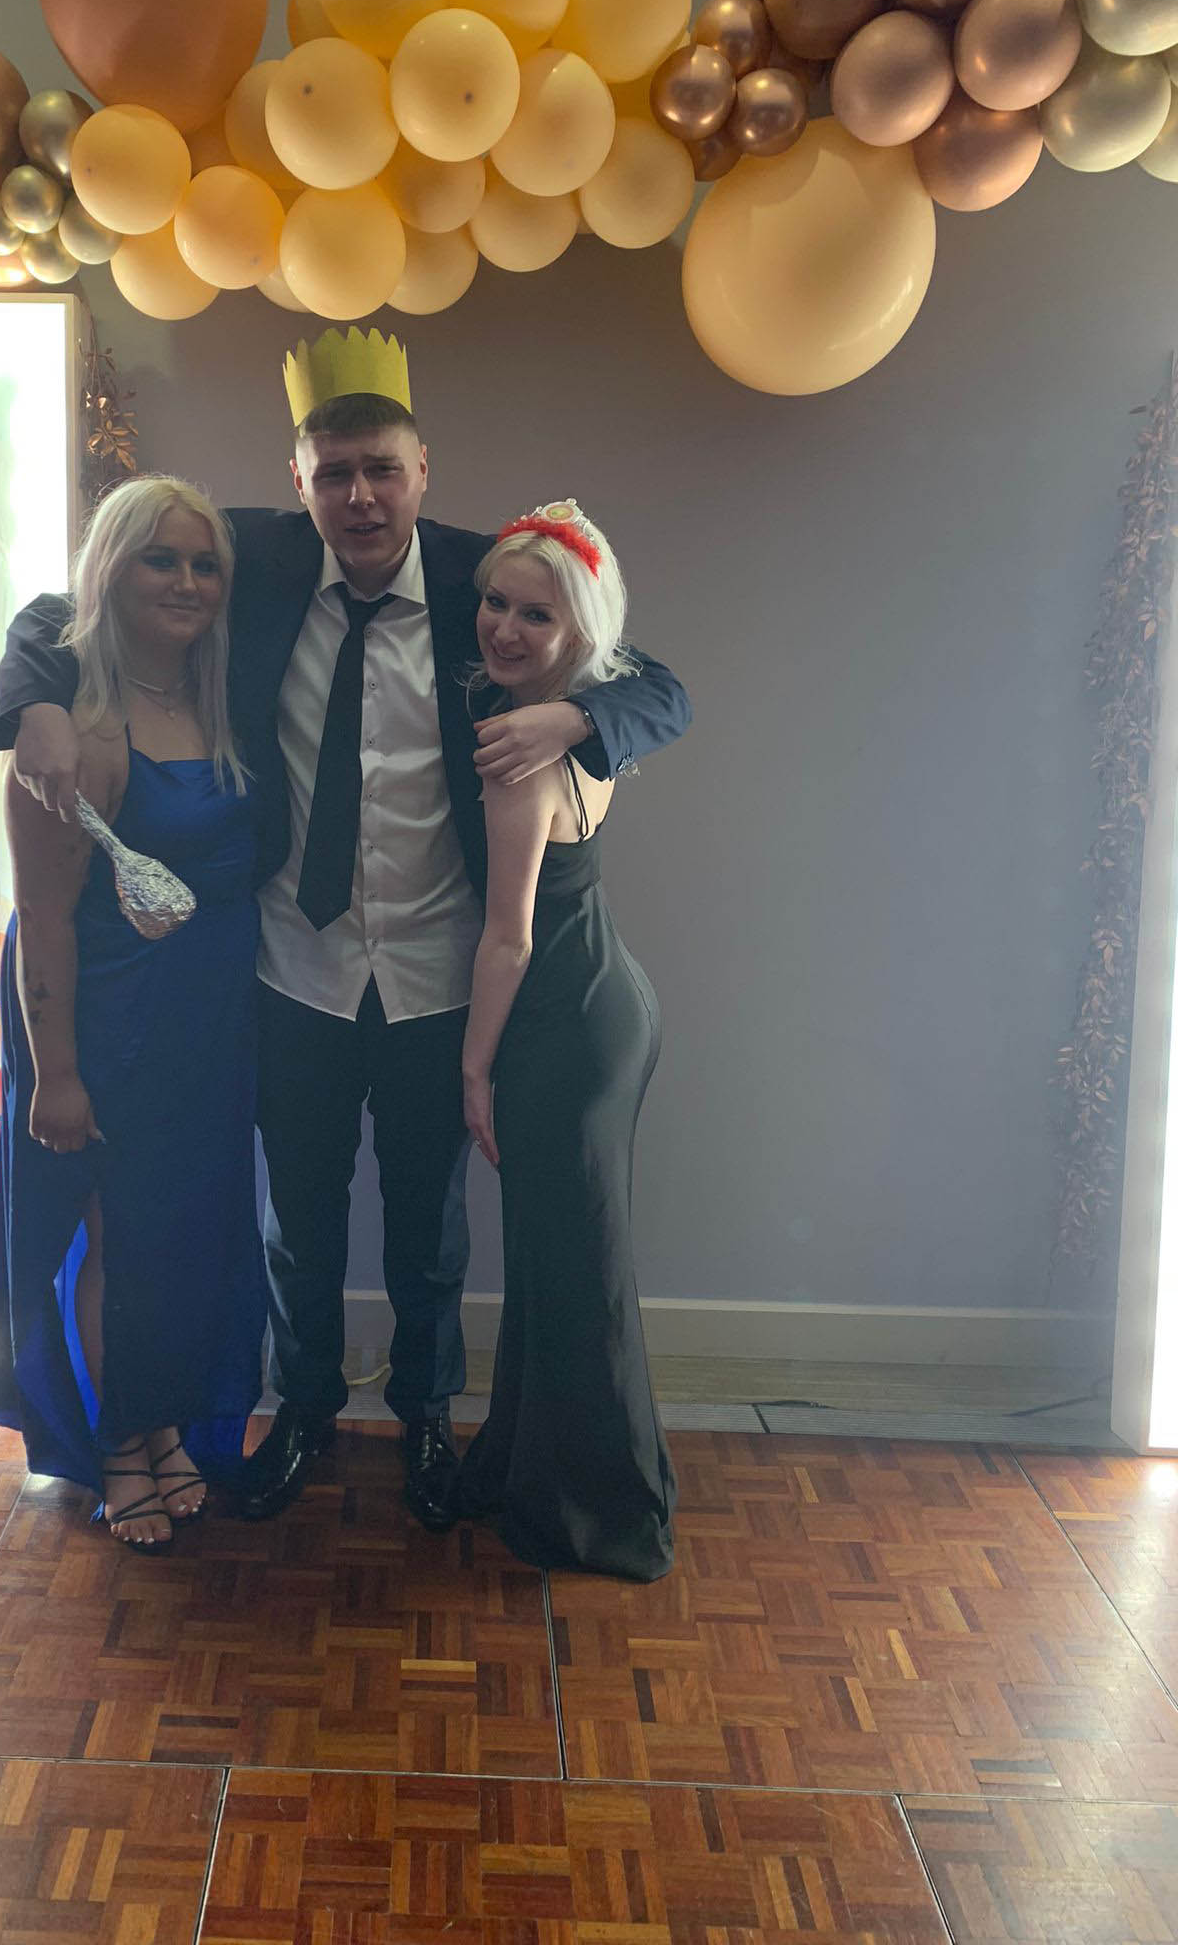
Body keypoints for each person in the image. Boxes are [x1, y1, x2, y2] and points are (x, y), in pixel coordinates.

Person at [0, 328, 690, 1533]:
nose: (359, 496)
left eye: (381, 470)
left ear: (422, 472)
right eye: (334, 473)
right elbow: (74, 600)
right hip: (290, 966)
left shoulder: (482, 583)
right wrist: (33, 703)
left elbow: (659, 685)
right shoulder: (253, 563)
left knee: (428, 1228)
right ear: (300, 480)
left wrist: (575, 717)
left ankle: (424, 1416)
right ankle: (305, 1412)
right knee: (297, 1221)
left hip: (435, 969)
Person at [0, 475, 267, 1553]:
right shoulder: (75, 731)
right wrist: (56, 1074)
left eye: (204, 563)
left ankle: (164, 1421)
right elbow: (44, 920)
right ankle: (120, 1444)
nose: (187, 581)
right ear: (111, 567)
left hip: (210, 1017)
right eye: (161, 559)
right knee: (118, 1234)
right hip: (106, 1018)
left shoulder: (220, 693)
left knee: (183, 1234)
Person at [456, 501, 675, 1581]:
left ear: (578, 630)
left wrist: (472, 1067)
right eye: (494, 603)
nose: (503, 627)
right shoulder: (571, 726)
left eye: (534, 615)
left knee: (582, 1279)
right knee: (558, 1265)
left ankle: (606, 1513)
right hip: (607, 1004)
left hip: (562, 1027)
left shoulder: (523, 753)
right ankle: (523, 1468)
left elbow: (507, 939)